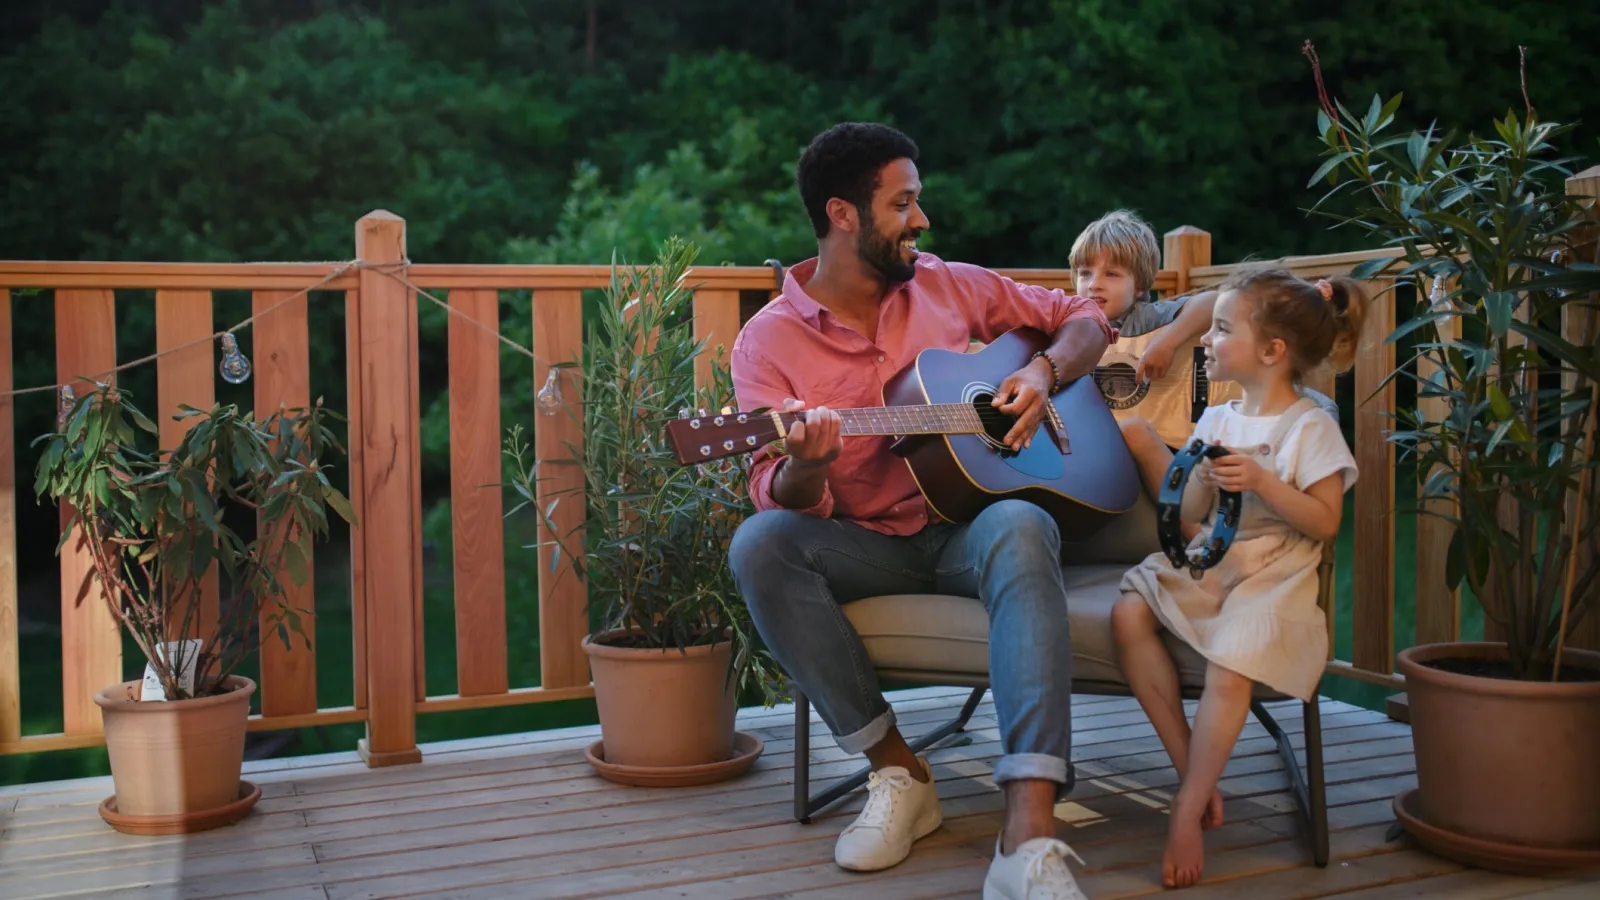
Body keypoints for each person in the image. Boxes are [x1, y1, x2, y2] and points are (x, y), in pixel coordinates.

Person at [727, 122, 1112, 899]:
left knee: (1024, 522)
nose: (921, 220)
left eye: (918, 201)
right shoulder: (766, 344)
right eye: (903, 203)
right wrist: (809, 461)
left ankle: (1028, 837)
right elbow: (779, 491)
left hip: (972, 528)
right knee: (761, 542)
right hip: (866, 544)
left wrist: (1040, 371)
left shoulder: (949, 284)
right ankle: (898, 774)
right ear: (843, 214)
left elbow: (1086, 320)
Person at [1109, 267, 1366, 888]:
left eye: (1222, 330)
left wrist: (1265, 484)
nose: (1209, 341)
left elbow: (1326, 522)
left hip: (1274, 568)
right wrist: (1185, 476)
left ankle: (1187, 809)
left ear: (1272, 352)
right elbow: (1193, 516)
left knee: (1233, 661)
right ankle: (1191, 773)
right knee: (1128, 613)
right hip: (1216, 558)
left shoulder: (1311, 426)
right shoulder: (1218, 419)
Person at [1072, 209, 1341, 457]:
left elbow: (1212, 301)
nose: (1094, 284)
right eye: (1085, 273)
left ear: (1140, 286)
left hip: (1185, 437)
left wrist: (1167, 343)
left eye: (1111, 274)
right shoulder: (1070, 331)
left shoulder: (1144, 319)